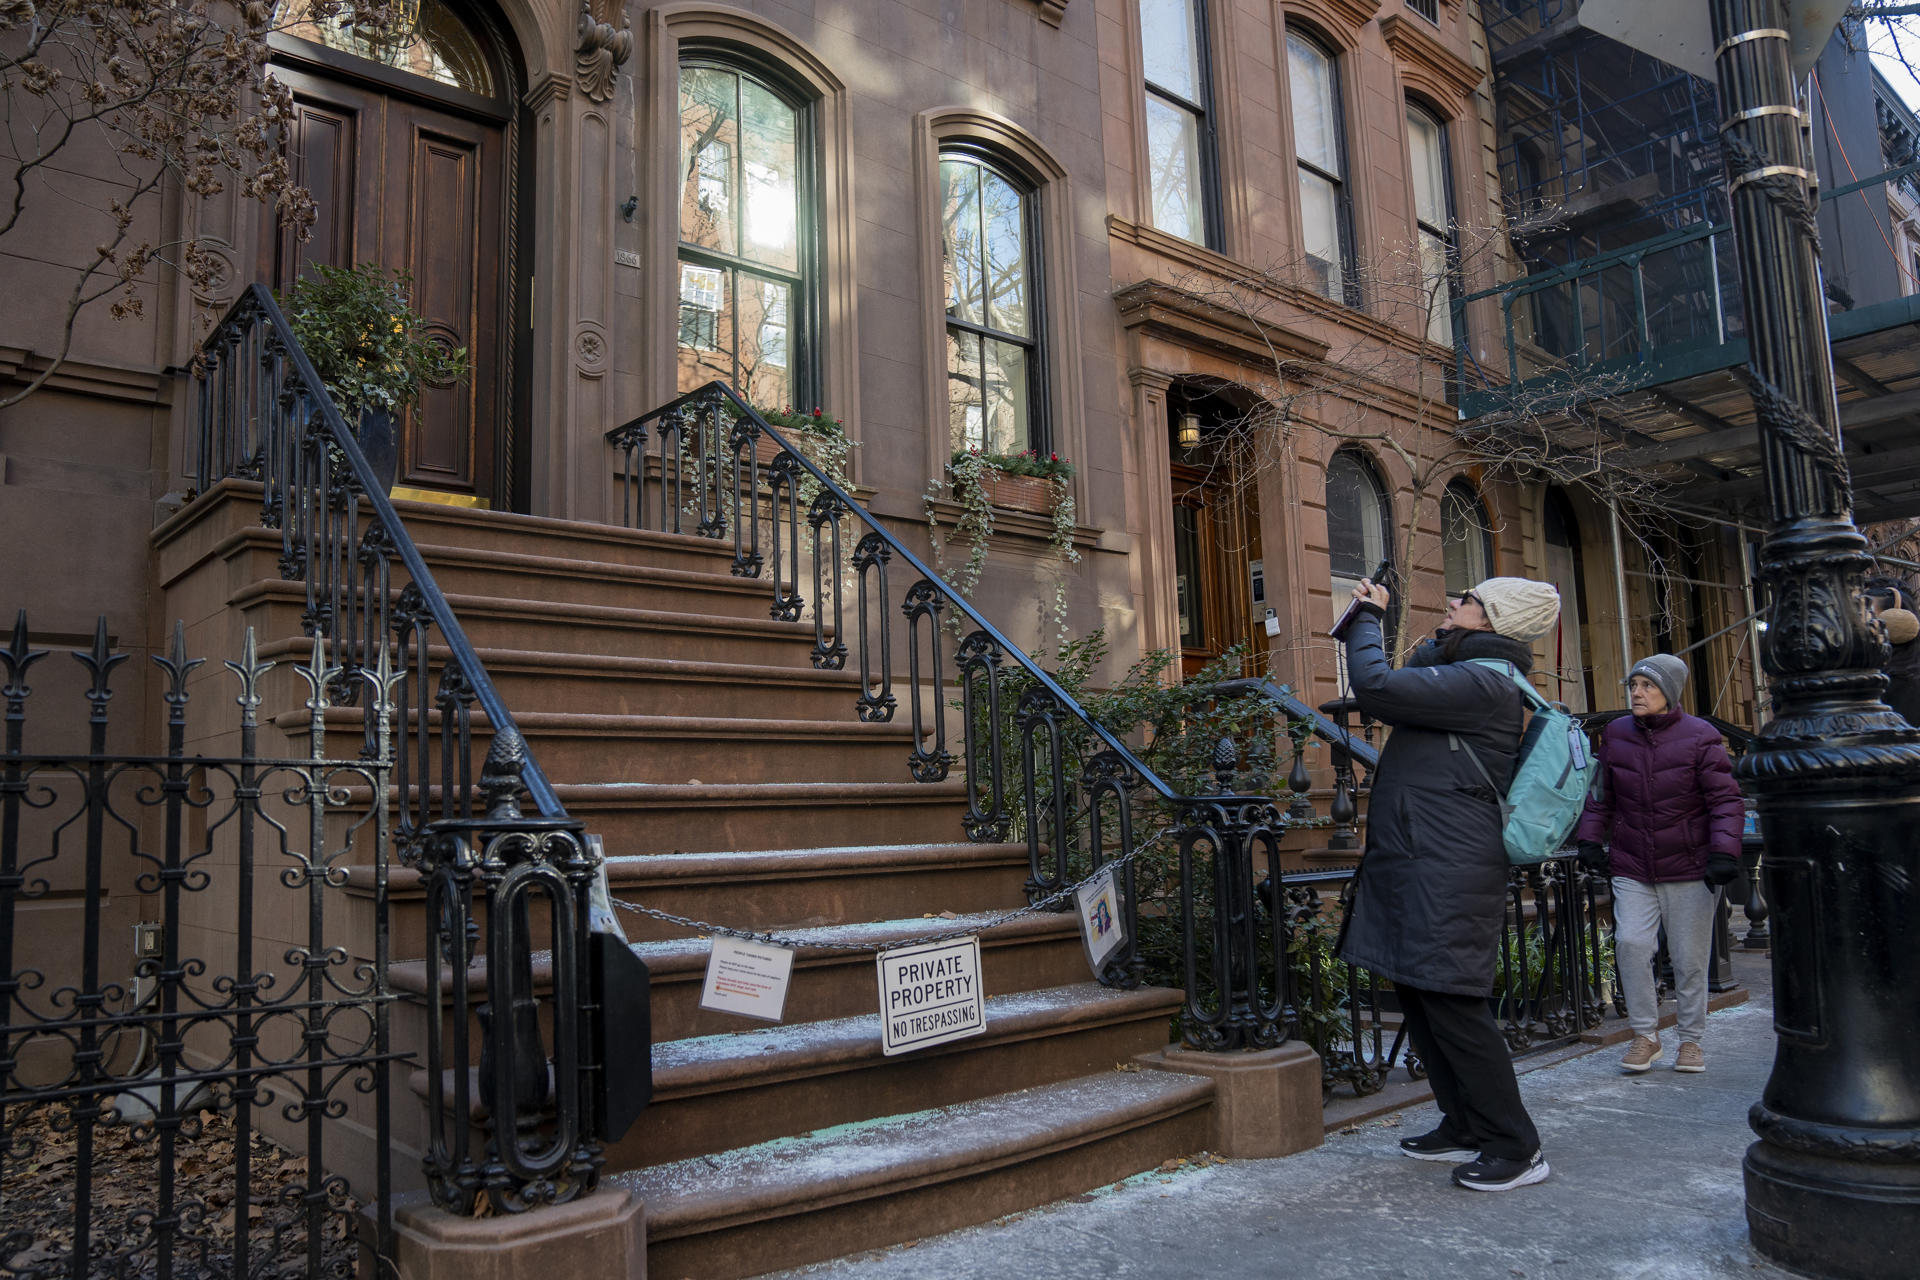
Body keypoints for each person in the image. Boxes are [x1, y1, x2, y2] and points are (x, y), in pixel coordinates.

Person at [1337, 575, 1563, 1193]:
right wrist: (1441, 637)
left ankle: (1516, 1147)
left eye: (1467, 601)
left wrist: (1366, 619)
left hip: (1449, 867)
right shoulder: (1468, 671)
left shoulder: (1484, 684)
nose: (1453, 603)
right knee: (1418, 992)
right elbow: (1417, 675)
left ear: (1492, 622)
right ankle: (1462, 1122)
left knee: (1453, 1005)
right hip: (1422, 858)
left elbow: (1378, 687)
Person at [1575, 654, 1745, 1075]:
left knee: (1689, 960)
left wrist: (1724, 851)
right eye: (1633, 685)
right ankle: (1645, 1036)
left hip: (1689, 866)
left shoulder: (1701, 736)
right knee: (1631, 946)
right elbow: (1601, 795)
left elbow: (1725, 799)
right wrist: (1590, 840)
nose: (1636, 693)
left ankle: (1690, 1042)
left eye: (1647, 686)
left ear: (1668, 692)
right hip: (1633, 863)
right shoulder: (1616, 734)